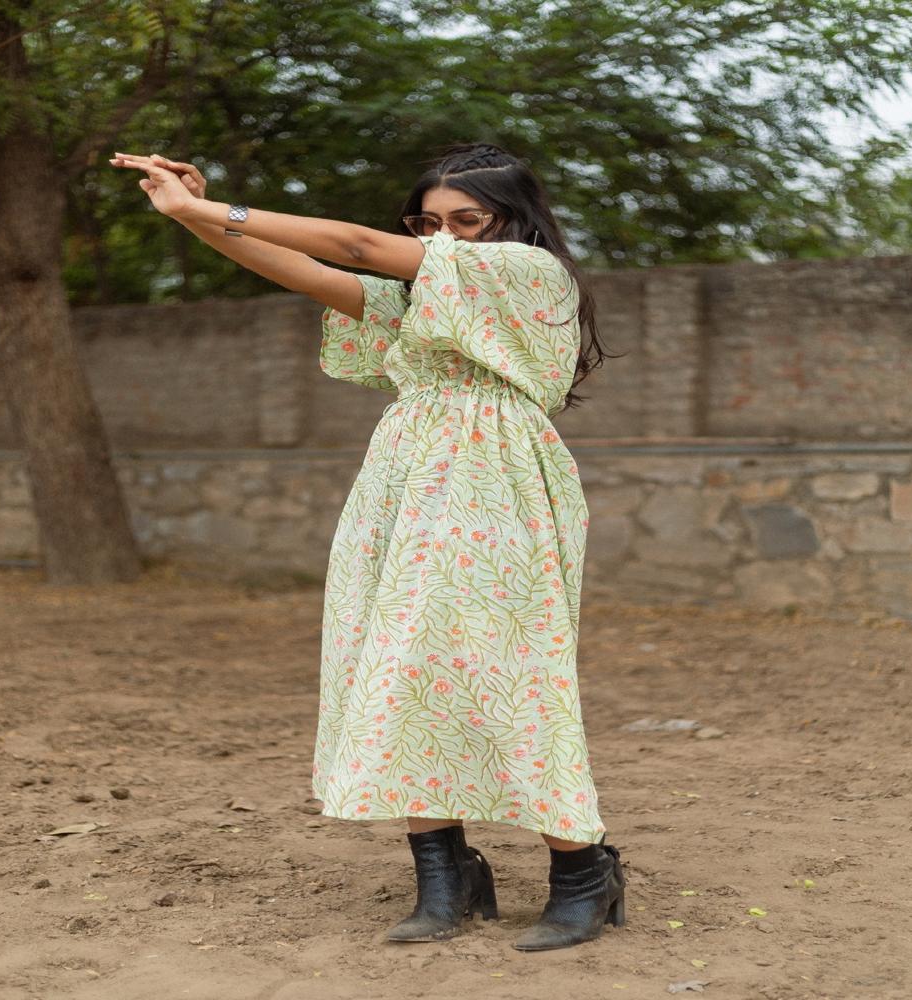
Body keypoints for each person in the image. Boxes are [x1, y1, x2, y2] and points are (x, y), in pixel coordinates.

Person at [110, 140, 624, 950]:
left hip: (496, 476)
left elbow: (352, 245)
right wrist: (197, 216)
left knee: (514, 671)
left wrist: (209, 207)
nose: (444, 238)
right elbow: (307, 270)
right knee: (397, 665)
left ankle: (583, 873)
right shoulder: (433, 293)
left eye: (467, 220)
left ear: (516, 222)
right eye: (427, 223)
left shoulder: (529, 273)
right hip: (405, 480)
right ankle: (445, 875)